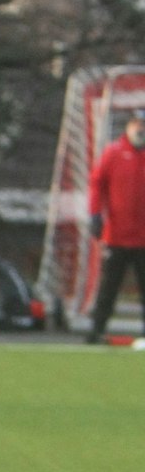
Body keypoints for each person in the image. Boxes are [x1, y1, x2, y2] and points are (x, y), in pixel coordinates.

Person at [85, 108, 145, 345]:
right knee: (109, 286)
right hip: (117, 235)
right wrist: (95, 215)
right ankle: (97, 329)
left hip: (143, 237)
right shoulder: (114, 153)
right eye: (136, 124)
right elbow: (96, 184)